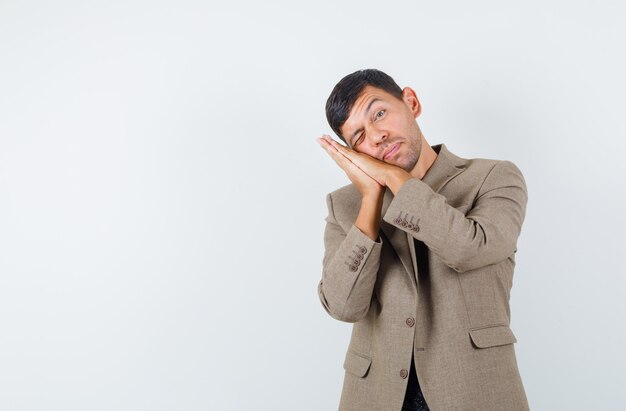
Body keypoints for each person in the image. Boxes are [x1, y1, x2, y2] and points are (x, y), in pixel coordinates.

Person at [315, 69, 530, 411]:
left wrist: (397, 181)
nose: (377, 136)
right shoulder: (345, 206)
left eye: (379, 114)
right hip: (376, 397)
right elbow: (343, 306)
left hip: (475, 390)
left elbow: (470, 248)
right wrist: (370, 197)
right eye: (358, 135)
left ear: (411, 102)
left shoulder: (493, 178)